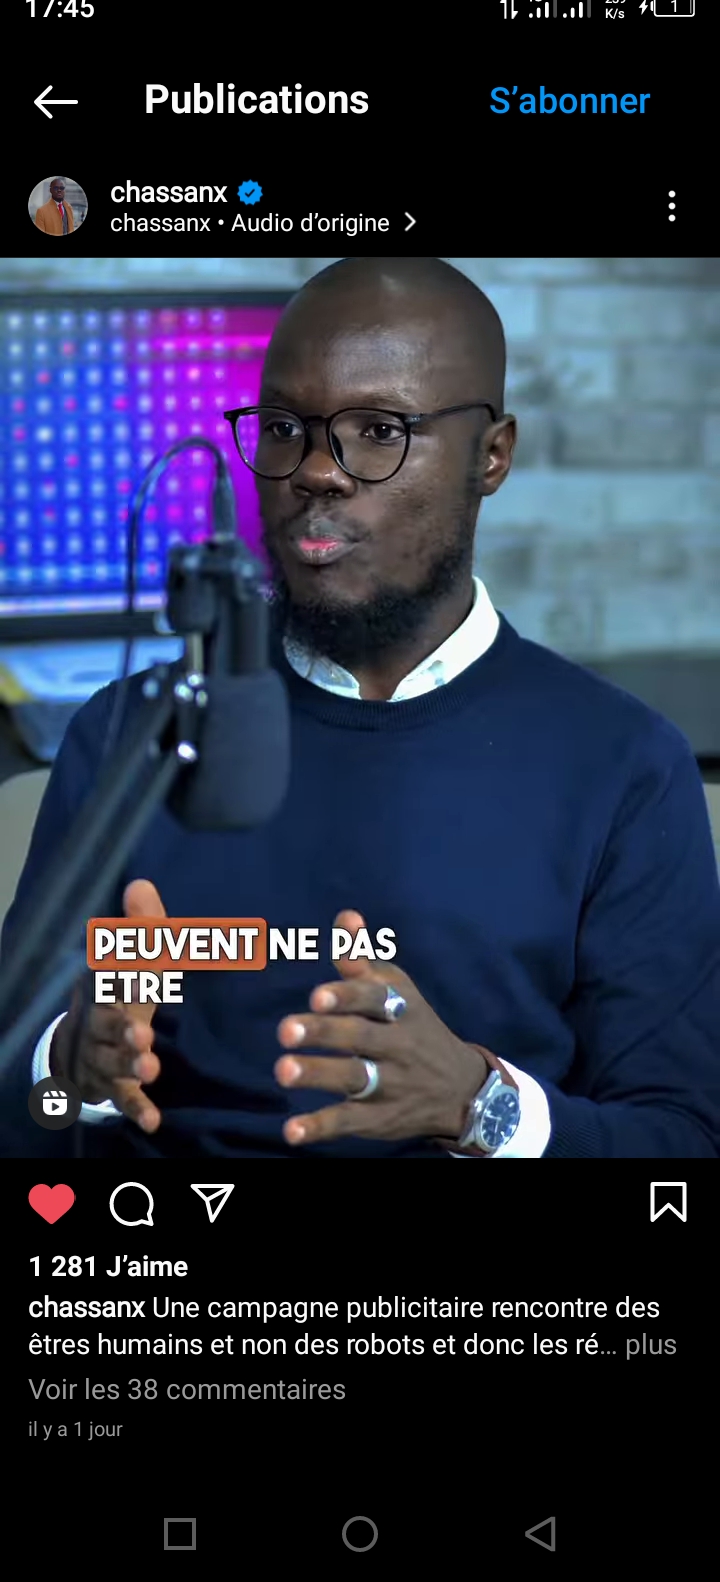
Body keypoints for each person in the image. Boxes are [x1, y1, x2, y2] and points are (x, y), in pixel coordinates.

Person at [3, 256, 720, 1158]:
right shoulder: (129, 733)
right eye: (283, 428)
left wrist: (478, 1106)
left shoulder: (622, 766)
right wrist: (66, 1065)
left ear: (492, 456)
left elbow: (681, 1138)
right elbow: (19, 1085)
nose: (316, 472)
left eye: (379, 431)